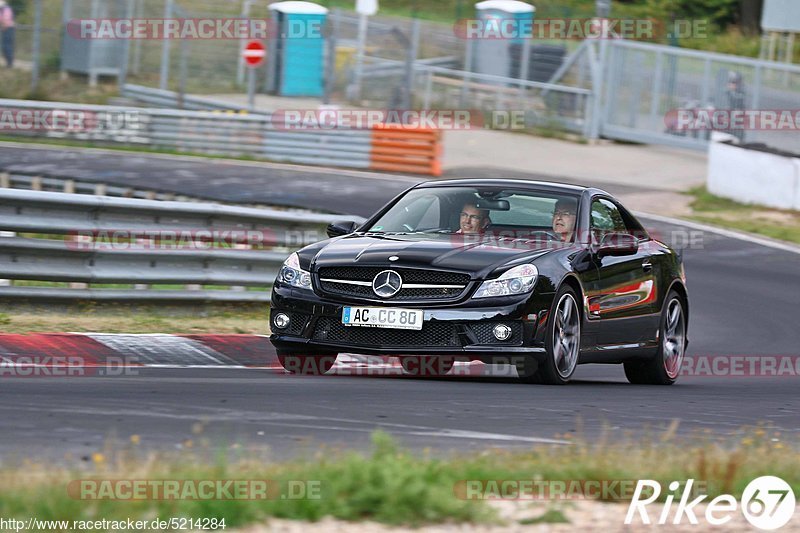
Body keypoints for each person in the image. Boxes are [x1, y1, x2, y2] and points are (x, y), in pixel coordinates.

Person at [0, 0, 14, 68]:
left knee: (7, 46)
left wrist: (3, 26)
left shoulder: (7, 9)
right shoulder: (1, 10)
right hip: (4, 29)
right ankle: (8, 62)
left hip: (8, 28)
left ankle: (10, 63)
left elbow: (6, 19)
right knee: (4, 47)